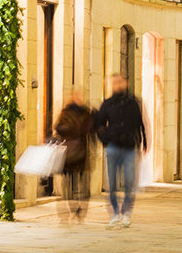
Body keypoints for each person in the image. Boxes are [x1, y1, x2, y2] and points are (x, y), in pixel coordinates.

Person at [93, 73, 147, 227]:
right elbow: (99, 124)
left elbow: (140, 123)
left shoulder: (133, 103)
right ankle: (115, 213)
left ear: (126, 83)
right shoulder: (108, 104)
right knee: (112, 184)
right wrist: (106, 140)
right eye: (115, 82)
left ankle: (126, 213)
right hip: (113, 147)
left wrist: (143, 142)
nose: (118, 85)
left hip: (130, 147)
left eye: (120, 82)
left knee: (130, 183)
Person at [54, 88, 96, 222]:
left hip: (80, 153)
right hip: (70, 153)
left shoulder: (85, 113)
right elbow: (58, 128)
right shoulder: (67, 113)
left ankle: (79, 209)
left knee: (80, 184)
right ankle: (73, 207)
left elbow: (91, 130)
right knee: (69, 184)